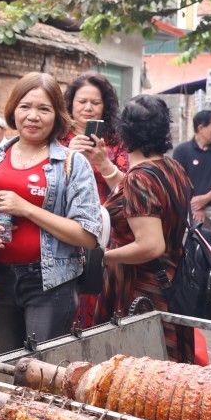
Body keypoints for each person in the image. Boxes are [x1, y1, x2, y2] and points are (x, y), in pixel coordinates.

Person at [0, 72, 100, 353]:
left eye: (43, 109)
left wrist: (27, 209)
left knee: (39, 372)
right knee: (8, 367)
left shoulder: (73, 163)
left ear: (57, 115)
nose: (32, 116)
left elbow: (87, 236)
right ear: (13, 109)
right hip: (1, 279)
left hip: (50, 284)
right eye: (25, 107)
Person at [92, 95, 196, 363]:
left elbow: (151, 245)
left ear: (124, 131)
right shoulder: (172, 168)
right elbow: (137, 196)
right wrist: (105, 165)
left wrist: (102, 258)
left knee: (138, 376)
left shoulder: (141, 178)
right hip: (170, 278)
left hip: (141, 289)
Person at [61, 72, 130, 327]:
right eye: (81, 101)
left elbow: (129, 189)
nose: (88, 108)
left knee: (99, 298)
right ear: (70, 104)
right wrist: (68, 155)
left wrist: (103, 162)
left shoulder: (116, 142)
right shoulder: (58, 138)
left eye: (95, 102)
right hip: (65, 228)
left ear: (106, 106)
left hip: (106, 233)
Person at [172, 110, 211, 248]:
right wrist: (195, 205)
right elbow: (179, 181)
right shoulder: (182, 151)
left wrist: (205, 199)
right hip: (190, 210)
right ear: (201, 127)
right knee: (193, 252)